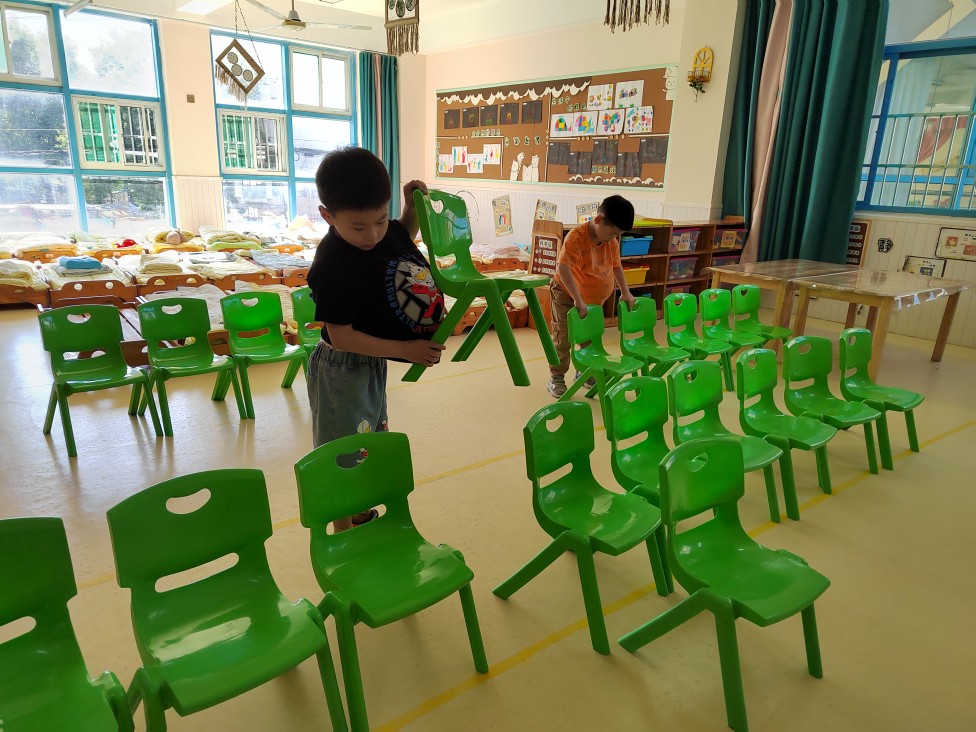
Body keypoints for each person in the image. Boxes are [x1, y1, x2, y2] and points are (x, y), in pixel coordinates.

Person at [307, 147, 446, 531]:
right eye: (358, 227)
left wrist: (410, 210)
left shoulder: (380, 234)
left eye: (381, 220)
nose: (372, 235)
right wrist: (405, 349)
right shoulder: (331, 265)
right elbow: (342, 337)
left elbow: (398, 242)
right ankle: (342, 528)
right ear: (327, 216)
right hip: (340, 368)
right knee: (341, 449)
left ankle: (355, 507)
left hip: (369, 363)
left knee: (367, 436)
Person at [547, 194, 636, 398]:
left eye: (617, 235)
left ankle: (584, 371)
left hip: (591, 299)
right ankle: (556, 376)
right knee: (563, 336)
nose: (613, 238)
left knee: (589, 337)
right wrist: (577, 299)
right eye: (612, 233)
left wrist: (625, 291)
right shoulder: (576, 237)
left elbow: (616, 266)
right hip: (566, 292)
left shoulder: (610, 242)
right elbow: (563, 268)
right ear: (598, 219)